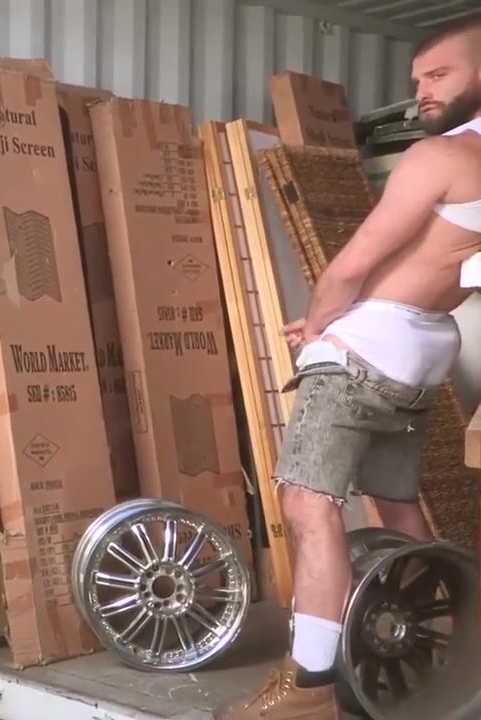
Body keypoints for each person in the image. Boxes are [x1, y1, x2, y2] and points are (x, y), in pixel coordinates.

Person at [216, 17, 481, 720]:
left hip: (365, 353)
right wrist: (339, 316)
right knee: (397, 505)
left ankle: (308, 687)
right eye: (418, 80)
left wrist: (321, 327)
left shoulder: (440, 156)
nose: (422, 93)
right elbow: (443, 270)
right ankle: (449, 651)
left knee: (308, 504)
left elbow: (352, 263)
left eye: (440, 75)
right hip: (421, 353)